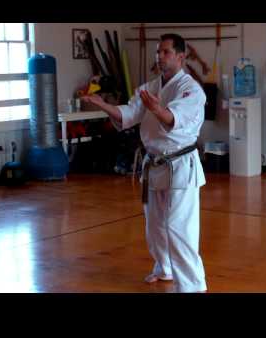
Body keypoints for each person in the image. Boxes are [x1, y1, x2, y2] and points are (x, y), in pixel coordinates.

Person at [81, 33, 207, 293]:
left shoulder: (192, 90)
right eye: (157, 52)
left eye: (165, 52)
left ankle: (193, 285)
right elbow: (127, 114)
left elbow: (174, 119)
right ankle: (164, 267)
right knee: (155, 224)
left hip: (181, 165)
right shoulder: (149, 87)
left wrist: (157, 109)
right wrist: (104, 104)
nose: (159, 56)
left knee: (179, 227)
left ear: (181, 56)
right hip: (153, 165)